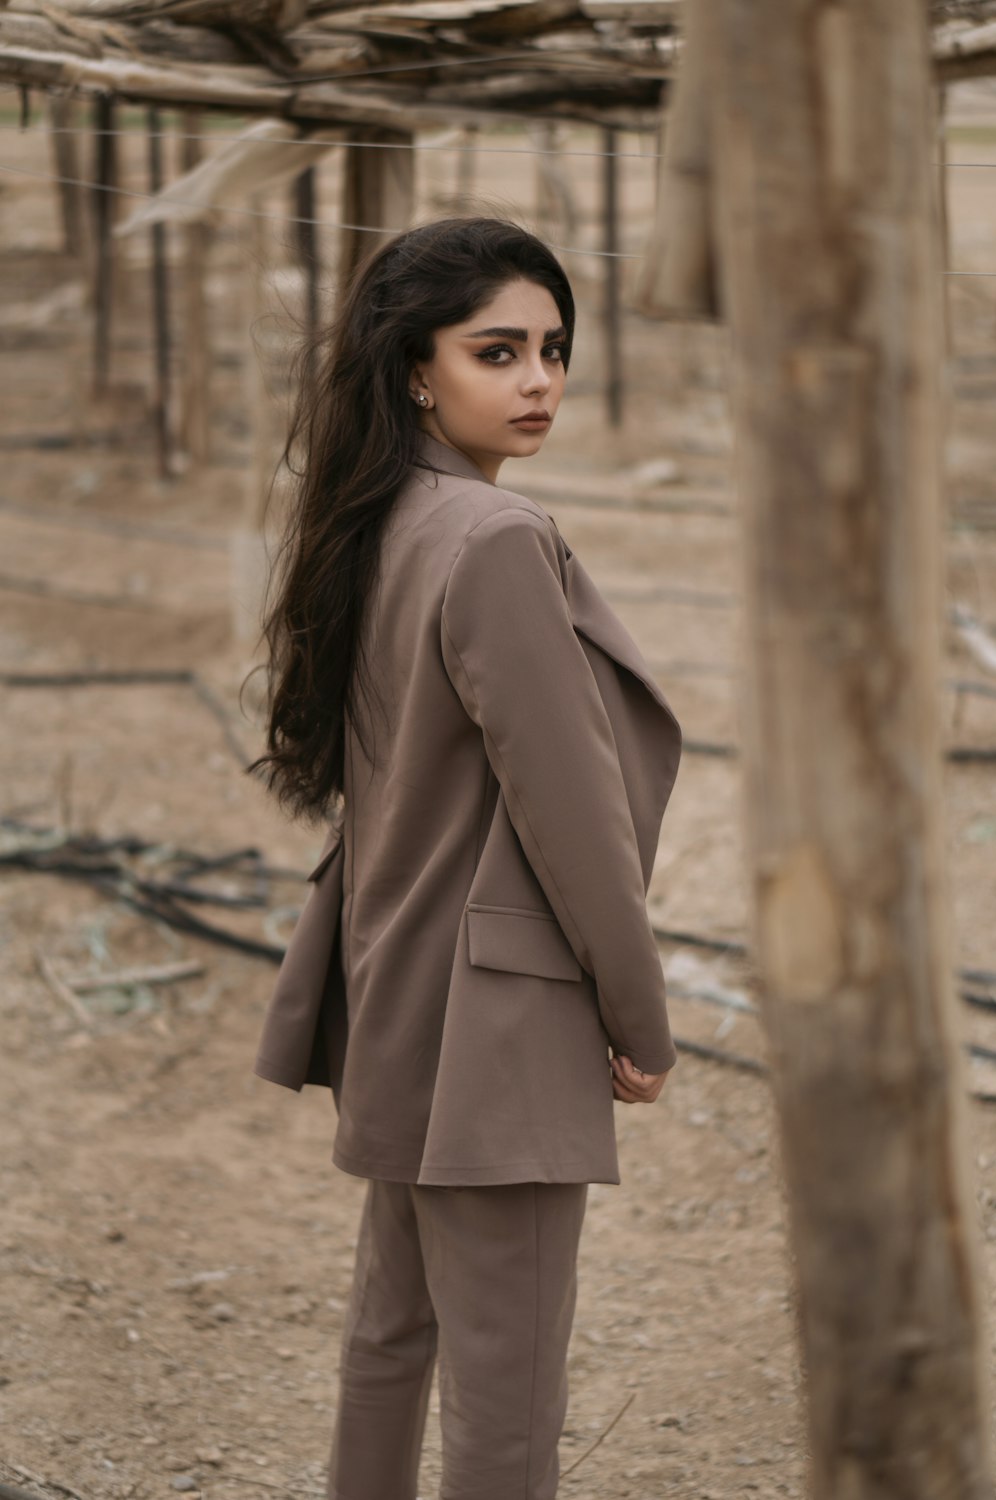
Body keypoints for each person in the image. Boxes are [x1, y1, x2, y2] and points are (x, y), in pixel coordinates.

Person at [248, 216, 683, 1500]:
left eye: (553, 348)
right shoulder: (491, 540)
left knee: (394, 1335)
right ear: (414, 371)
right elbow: (573, 814)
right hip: (496, 1022)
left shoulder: (382, 519)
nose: (539, 379)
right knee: (506, 1392)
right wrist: (638, 1016)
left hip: (399, 987)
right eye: (498, 351)